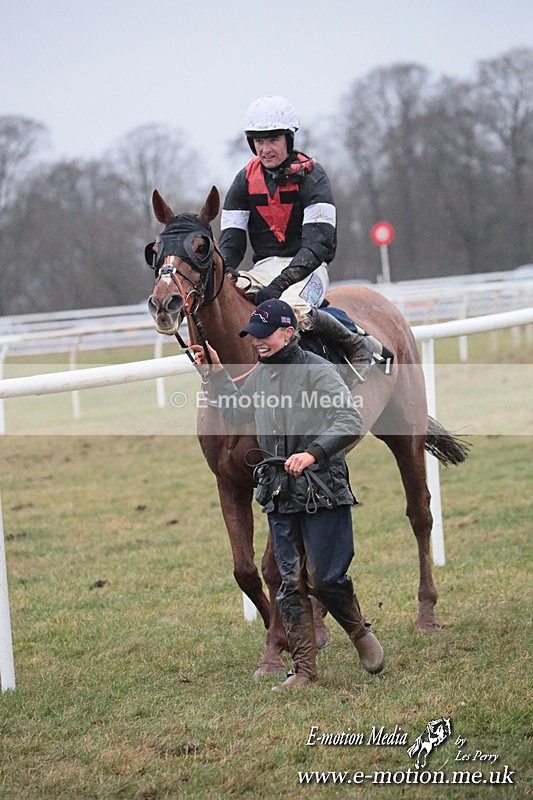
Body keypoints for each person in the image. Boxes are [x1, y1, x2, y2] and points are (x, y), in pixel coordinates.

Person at [191, 299, 384, 691]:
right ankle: (304, 671)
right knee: (289, 582)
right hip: (279, 493)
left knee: (325, 579)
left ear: (288, 332)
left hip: (321, 490)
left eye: (264, 335)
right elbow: (235, 408)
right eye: (253, 336)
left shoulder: (319, 370)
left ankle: (358, 631)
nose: (257, 342)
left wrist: (313, 452)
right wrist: (213, 373)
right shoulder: (263, 375)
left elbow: (348, 419)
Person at [219, 95, 375, 379]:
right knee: (227, 295)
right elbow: (231, 241)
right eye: (259, 141)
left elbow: (319, 245)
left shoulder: (313, 176)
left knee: (291, 309)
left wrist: (280, 284)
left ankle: (356, 345)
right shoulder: (243, 181)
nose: (265, 150)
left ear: (288, 139)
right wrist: (225, 272)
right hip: (264, 269)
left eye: (273, 140)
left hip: (309, 269)